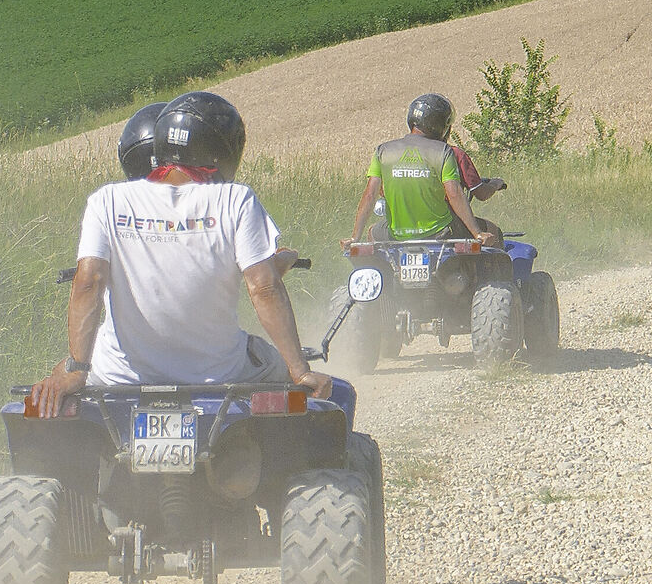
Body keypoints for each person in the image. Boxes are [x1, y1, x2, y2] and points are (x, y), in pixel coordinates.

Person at [29, 91, 330, 412]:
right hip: (219, 375)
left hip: (117, 375)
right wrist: (300, 371)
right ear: (223, 152)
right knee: (299, 385)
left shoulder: (106, 200)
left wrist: (76, 371)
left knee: (60, 375)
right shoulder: (235, 200)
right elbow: (264, 287)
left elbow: (88, 282)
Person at [352, 93, 504, 245]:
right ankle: (493, 270)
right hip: (439, 231)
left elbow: (370, 195)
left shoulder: (383, 151)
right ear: (442, 126)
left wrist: (354, 238)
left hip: (397, 233)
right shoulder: (444, 151)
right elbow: (454, 193)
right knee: (493, 231)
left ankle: (382, 268)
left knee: (373, 233)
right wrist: (477, 233)